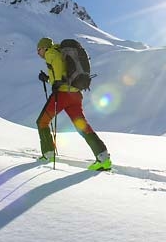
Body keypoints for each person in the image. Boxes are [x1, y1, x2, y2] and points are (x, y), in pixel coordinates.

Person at [35, 37, 111, 171]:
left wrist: (57, 81)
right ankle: (103, 158)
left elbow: (58, 68)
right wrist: (47, 79)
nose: (38, 53)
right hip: (75, 95)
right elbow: (64, 75)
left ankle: (48, 154)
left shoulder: (51, 53)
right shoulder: (60, 52)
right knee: (82, 125)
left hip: (63, 95)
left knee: (42, 122)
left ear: (44, 47)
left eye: (39, 49)